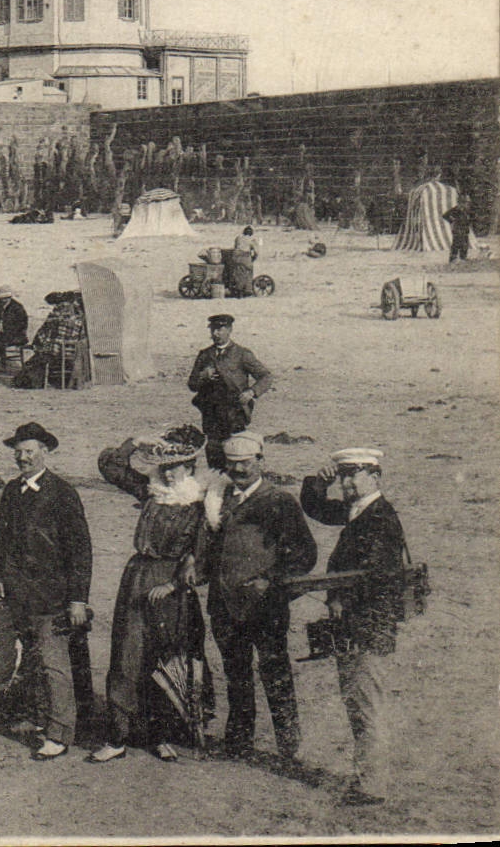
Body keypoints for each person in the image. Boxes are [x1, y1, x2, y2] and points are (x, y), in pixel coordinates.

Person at [91, 426, 219, 765]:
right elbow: (110, 466)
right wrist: (136, 441)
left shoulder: (201, 503)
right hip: (137, 578)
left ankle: (163, 735)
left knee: (167, 656)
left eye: (176, 466)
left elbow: (203, 558)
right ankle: (117, 735)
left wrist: (175, 584)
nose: (168, 471)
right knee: (127, 653)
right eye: (164, 465)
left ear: (191, 467)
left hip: (173, 586)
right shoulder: (152, 492)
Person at [299, 447, 411, 806]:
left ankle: (372, 786)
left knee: (366, 703)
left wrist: (340, 599)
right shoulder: (360, 511)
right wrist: (319, 481)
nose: (347, 483)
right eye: (343, 476)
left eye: (355, 475)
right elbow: (315, 508)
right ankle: (367, 779)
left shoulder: (379, 518)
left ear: (375, 477)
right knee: (360, 700)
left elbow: (374, 576)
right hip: (360, 623)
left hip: (368, 624)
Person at [204, 431, 317, 762]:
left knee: (275, 672)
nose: (239, 470)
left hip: (265, 607)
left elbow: (304, 553)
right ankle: (238, 742)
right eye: (232, 464)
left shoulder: (278, 501)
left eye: (246, 463)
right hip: (225, 604)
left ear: (261, 461)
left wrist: (270, 581)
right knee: (236, 674)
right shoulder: (218, 499)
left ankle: (288, 747)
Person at [0, 422, 92, 761]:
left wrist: (77, 599)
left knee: (53, 663)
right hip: (19, 594)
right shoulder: (13, 492)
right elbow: (2, 540)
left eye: (30, 451)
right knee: (32, 658)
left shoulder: (62, 493)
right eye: (18, 452)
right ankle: (38, 717)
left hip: (52, 596)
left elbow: (80, 550)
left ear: (45, 453)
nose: (22, 458)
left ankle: (60, 732)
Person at [188, 314, 273, 471]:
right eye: (213, 330)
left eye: (220, 329)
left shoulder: (242, 354)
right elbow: (192, 384)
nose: (216, 334)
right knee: (213, 453)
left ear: (229, 330)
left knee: (235, 451)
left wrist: (252, 392)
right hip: (211, 413)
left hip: (234, 412)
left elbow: (266, 376)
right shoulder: (204, 355)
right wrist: (203, 376)